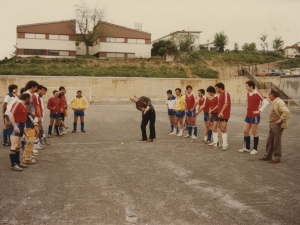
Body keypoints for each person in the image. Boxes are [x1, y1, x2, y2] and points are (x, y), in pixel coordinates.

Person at [259, 89, 290, 163]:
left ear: (272, 95)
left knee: (276, 142)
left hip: (277, 125)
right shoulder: (275, 101)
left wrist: (280, 120)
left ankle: (277, 157)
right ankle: (267, 156)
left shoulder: (279, 102)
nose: (268, 96)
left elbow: (287, 112)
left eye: (269, 94)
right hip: (272, 125)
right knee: (269, 141)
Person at [238, 80, 269, 155]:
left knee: (254, 132)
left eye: (247, 86)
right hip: (248, 115)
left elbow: (266, 102)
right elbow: (248, 105)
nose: (246, 87)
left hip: (255, 116)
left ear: (251, 86)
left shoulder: (257, 93)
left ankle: (255, 149)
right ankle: (247, 148)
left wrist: (259, 110)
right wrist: (246, 113)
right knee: (245, 131)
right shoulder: (248, 93)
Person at [8, 93, 31, 171]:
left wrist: (23, 127)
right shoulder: (18, 103)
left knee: (18, 145)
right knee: (14, 145)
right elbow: (10, 114)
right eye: (29, 98)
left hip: (21, 125)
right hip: (17, 124)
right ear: (27, 98)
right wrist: (15, 126)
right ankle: (13, 164)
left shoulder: (23, 106)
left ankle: (18, 162)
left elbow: (23, 117)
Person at [215, 82, 231, 151]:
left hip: (225, 114)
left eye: (216, 88)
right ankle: (225, 143)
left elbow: (226, 103)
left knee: (223, 128)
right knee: (221, 129)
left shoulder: (226, 94)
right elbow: (219, 105)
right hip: (220, 114)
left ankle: (225, 144)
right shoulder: (220, 95)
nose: (216, 90)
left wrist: (221, 112)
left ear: (220, 88)